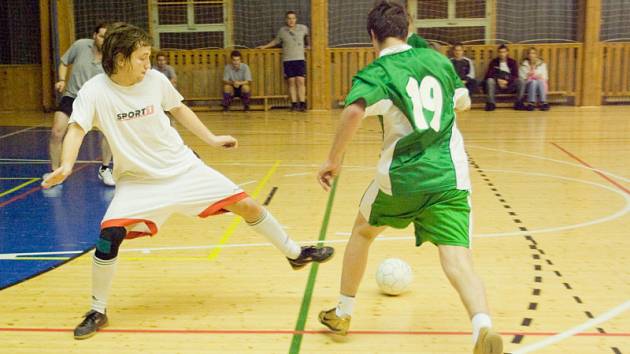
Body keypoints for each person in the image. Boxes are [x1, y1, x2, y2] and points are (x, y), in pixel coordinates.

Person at [41, 23, 334, 340]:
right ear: (121, 58)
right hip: (138, 182)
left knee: (247, 205)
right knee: (109, 235)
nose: (148, 64)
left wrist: (211, 138)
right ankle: (98, 309)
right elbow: (76, 128)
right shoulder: (95, 91)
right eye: (142, 57)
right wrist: (67, 165)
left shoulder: (154, 80)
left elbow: (178, 108)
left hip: (183, 168)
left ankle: (295, 254)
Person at [315, 2, 502, 354]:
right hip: (449, 176)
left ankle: (343, 311)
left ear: (372, 35)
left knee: (362, 231)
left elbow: (354, 109)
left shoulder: (378, 71)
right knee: (458, 257)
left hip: (402, 178)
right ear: (409, 29)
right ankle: (482, 326)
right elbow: (463, 100)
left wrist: (332, 160)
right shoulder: (439, 61)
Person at [47, 22, 115, 186]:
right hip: (72, 97)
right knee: (57, 132)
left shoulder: (113, 55)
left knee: (109, 133)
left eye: (107, 37)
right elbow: (64, 62)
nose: (103, 40)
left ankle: (105, 169)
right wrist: (62, 80)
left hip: (99, 101)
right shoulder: (80, 46)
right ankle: (55, 171)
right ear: (94, 36)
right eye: (101, 36)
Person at [257, 11, 309, 112]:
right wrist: (264, 46)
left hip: (299, 59)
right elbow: (276, 41)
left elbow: (308, 36)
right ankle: (294, 104)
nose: (291, 20)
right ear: (286, 20)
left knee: (300, 81)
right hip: (288, 59)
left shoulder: (303, 28)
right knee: (291, 82)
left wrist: (309, 45)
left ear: (296, 19)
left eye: (293, 18)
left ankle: (302, 103)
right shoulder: (282, 31)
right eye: (289, 18)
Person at [483, 44, 524, 111]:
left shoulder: (512, 62)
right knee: (490, 80)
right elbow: (488, 75)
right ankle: (491, 103)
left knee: (521, 80)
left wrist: (507, 81)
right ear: (498, 53)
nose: (502, 54)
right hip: (497, 87)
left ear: (507, 52)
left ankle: (519, 103)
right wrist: (498, 80)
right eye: (500, 52)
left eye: (504, 52)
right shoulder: (494, 62)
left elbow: (515, 76)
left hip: (510, 86)